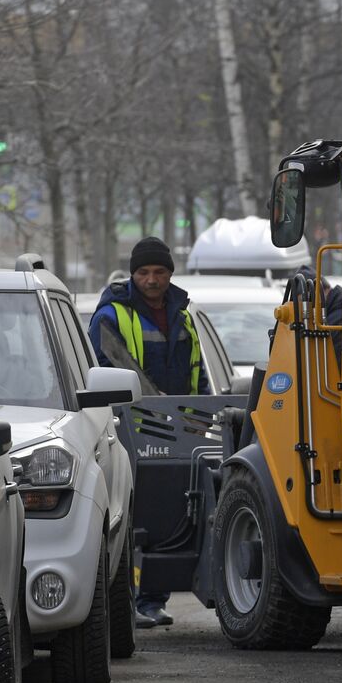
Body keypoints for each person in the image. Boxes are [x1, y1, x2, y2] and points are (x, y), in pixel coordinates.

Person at [88, 236, 208, 628]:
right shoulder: (111, 315)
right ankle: (128, 601)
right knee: (131, 516)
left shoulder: (184, 315)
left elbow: (196, 371)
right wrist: (162, 411)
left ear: (170, 273)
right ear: (133, 273)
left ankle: (152, 600)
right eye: (143, 272)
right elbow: (114, 366)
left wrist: (201, 415)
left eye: (159, 272)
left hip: (176, 431)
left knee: (169, 515)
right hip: (130, 430)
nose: (152, 280)